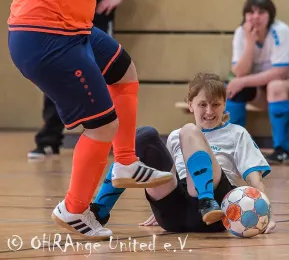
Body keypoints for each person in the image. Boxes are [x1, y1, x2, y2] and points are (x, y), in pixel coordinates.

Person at [7, 0, 173, 239]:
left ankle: (126, 163)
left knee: (124, 71)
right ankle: (73, 209)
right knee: (102, 126)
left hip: (74, 31)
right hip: (45, 39)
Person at [27, 0, 153, 160]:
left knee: (105, 80)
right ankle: (49, 139)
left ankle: (108, 140)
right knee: (57, 78)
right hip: (62, 21)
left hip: (94, 23)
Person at [90, 72, 276, 234]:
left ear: (224, 104)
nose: (209, 111)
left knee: (189, 130)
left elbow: (254, 179)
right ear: (190, 105)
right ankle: (99, 211)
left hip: (217, 211)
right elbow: (163, 175)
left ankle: (206, 201)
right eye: (202, 104)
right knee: (144, 136)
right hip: (174, 217)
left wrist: (266, 214)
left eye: (216, 104)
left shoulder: (237, 133)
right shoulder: (174, 137)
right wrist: (158, 207)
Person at [225, 0, 289, 164]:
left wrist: (242, 81)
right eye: (251, 12)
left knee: (275, 86)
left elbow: (280, 72)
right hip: (265, 87)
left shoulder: (281, 32)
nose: (255, 17)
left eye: (261, 12)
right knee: (234, 90)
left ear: (270, 15)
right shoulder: (241, 33)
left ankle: (282, 150)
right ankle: (233, 149)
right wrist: (250, 43)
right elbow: (239, 73)